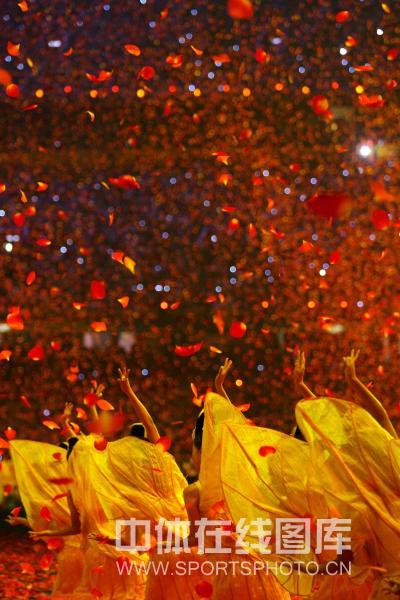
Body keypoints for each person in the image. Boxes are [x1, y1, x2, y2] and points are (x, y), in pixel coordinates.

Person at [184, 358, 291, 600]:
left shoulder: (195, 492)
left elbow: (194, 538)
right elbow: (239, 432)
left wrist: (160, 545)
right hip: (262, 572)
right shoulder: (245, 481)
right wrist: (220, 390)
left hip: (229, 578)